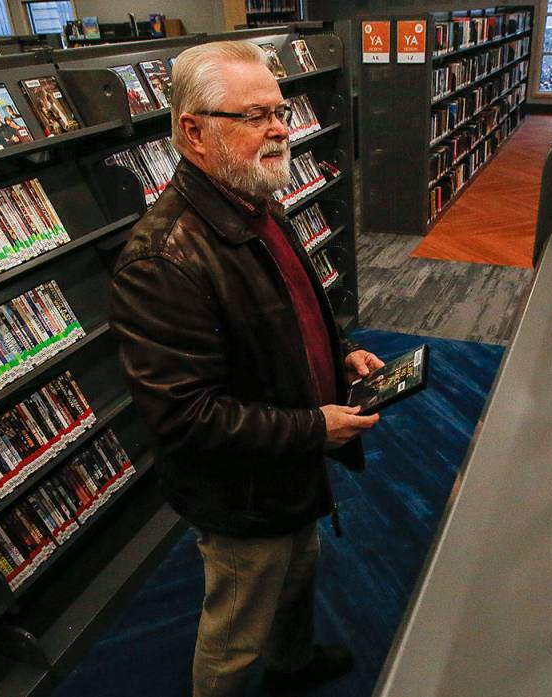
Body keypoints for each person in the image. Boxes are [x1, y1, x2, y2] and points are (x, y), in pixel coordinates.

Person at [109, 40, 383, 697]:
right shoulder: (163, 260)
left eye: (280, 109)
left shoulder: (254, 199)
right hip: (241, 492)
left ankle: (291, 665)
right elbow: (186, 418)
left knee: (298, 572)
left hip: (288, 467)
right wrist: (311, 429)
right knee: (235, 634)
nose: (281, 127)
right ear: (193, 133)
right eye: (254, 115)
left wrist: (338, 347)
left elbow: (289, 301)